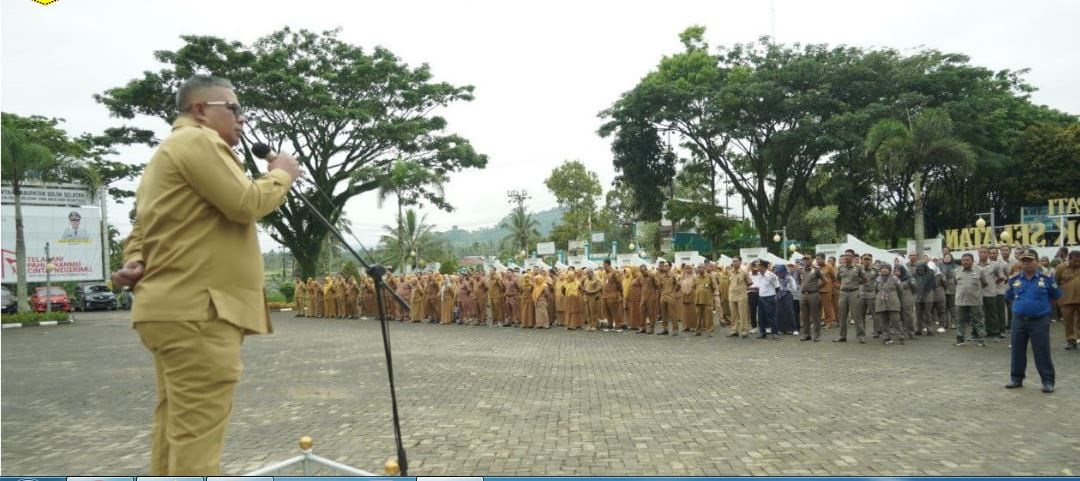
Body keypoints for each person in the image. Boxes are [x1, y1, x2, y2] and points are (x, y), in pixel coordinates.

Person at [111, 75, 300, 475]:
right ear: (199, 110)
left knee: (176, 428)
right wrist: (282, 173)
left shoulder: (165, 154)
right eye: (232, 109)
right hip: (200, 311)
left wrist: (135, 260)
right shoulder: (199, 142)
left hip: (170, 308)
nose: (242, 119)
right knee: (198, 436)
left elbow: (143, 230)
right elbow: (245, 202)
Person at [1005, 248, 1060, 393]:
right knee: (1017, 350)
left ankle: (1048, 381)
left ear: (1036, 261)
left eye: (1029, 260)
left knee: (1042, 350)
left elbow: (1055, 297)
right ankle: (1016, 378)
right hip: (1019, 320)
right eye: (1023, 261)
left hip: (1039, 320)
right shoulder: (1014, 279)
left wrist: (1041, 309)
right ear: (1020, 263)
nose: (1026, 263)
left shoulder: (1046, 279)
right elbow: (1009, 296)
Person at [954, 253, 988, 347]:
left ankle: (981, 339)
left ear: (972, 261)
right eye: (963, 260)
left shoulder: (979, 270)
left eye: (968, 260)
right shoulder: (957, 271)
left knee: (978, 320)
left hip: (975, 300)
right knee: (960, 320)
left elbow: (984, 283)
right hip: (960, 300)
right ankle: (960, 339)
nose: (965, 261)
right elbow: (956, 282)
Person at [1056, 250, 1080, 350]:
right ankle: (1071, 341)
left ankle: (1079, 338)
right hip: (1066, 299)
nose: (1077, 263)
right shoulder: (1061, 267)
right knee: (1068, 321)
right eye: (1075, 261)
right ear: (1069, 259)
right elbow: (1056, 281)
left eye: (1079, 261)